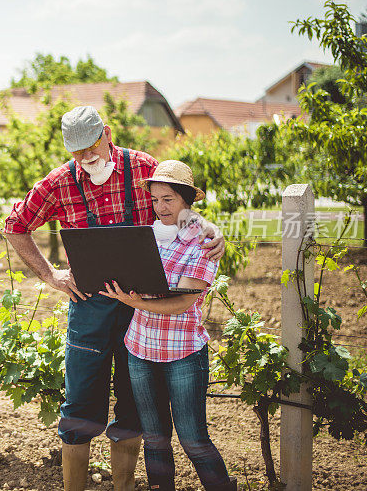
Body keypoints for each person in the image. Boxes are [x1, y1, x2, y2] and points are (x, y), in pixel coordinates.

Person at [3, 106, 225, 491]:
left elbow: (178, 209)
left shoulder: (143, 168)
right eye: (76, 152)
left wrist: (211, 230)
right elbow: (14, 226)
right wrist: (50, 274)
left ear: (106, 133)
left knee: (132, 402)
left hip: (141, 309)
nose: (86, 158)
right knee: (80, 404)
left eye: (91, 147)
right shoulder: (58, 183)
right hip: (88, 305)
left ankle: (122, 485)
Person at [99, 159, 237, 491]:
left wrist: (137, 303)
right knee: (155, 438)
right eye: (156, 199)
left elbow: (184, 301)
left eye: (169, 200)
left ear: (187, 201)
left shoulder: (203, 241)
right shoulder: (147, 234)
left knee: (193, 441)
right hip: (141, 349)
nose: (160, 207)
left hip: (183, 352)